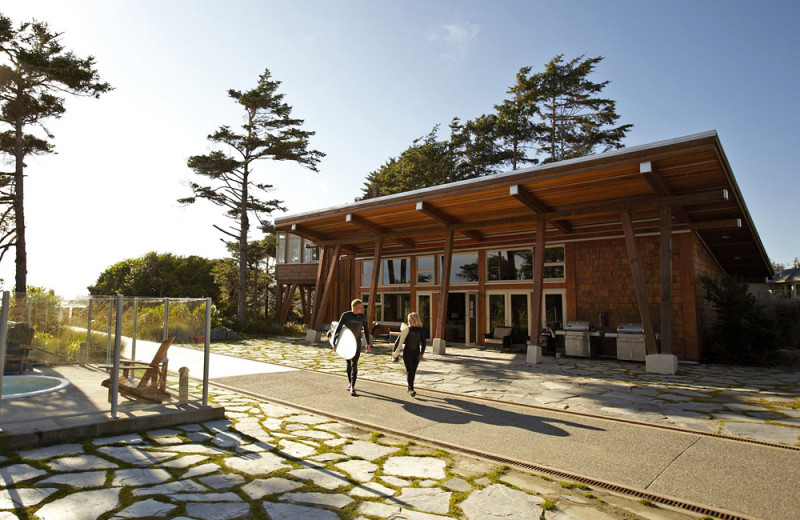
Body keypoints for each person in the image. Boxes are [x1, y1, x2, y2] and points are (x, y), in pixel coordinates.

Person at [332, 299, 372, 396]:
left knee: (355, 363)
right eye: (360, 307)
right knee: (348, 363)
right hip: (347, 342)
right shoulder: (346, 315)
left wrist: (368, 343)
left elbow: (366, 330)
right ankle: (350, 383)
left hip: (357, 342)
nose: (362, 309)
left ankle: (353, 387)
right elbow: (338, 328)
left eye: (362, 307)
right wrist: (334, 342)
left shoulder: (363, 317)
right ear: (354, 307)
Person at [392, 312, 426, 397]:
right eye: (409, 319)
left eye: (411, 319)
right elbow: (398, 342)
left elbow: (424, 342)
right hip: (407, 353)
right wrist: (394, 353)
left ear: (416, 320)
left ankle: (410, 387)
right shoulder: (406, 329)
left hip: (416, 354)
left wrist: (422, 353)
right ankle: (411, 389)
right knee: (410, 371)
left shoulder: (420, 330)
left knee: (413, 371)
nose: (409, 320)